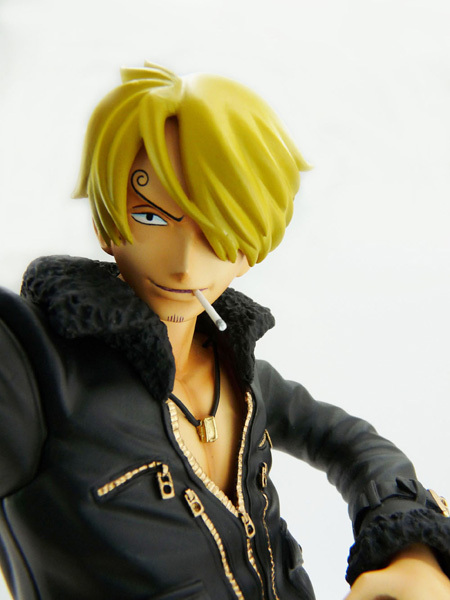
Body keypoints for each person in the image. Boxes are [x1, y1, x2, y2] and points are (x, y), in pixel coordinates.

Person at [0, 62, 449, 600]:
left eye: (217, 230)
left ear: (251, 249)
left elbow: (352, 442)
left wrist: (410, 548)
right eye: (151, 217)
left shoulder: (240, 372)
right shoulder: (39, 373)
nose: (184, 264)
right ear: (106, 223)